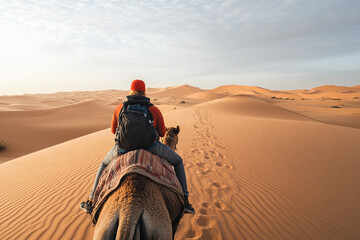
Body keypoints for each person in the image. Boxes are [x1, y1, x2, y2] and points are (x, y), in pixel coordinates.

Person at [80, 79, 195, 214]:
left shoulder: (120, 108)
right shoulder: (153, 109)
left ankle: (91, 200)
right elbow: (163, 133)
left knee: (104, 164)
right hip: (150, 146)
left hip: (123, 147)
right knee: (178, 161)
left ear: (131, 91)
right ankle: (186, 201)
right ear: (144, 92)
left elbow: (113, 130)